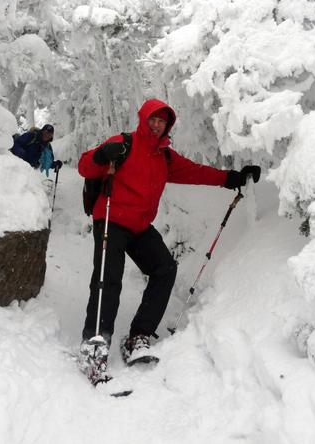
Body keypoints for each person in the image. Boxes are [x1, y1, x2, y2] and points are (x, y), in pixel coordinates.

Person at [78, 99, 260, 366]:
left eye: (162, 121)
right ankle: (96, 344)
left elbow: (196, 172)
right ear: (143, 119)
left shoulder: (164, 156)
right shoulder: (123, 143)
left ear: (167, 126)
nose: (156, 125)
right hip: (110, 220)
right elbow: (85, 166)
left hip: (139, 225)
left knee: (164, 268)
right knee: (108, 279)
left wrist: (232, 178)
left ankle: (138, 335)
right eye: (153, 119)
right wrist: (102, 155)